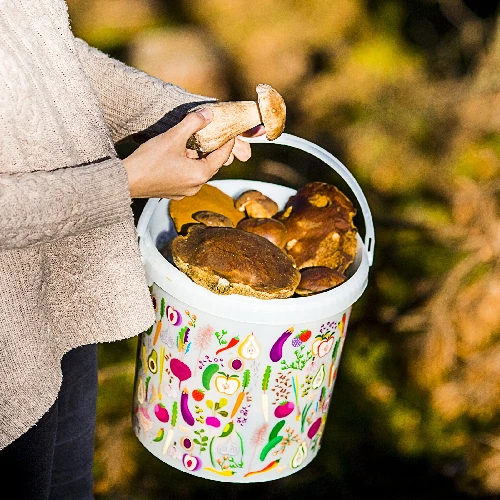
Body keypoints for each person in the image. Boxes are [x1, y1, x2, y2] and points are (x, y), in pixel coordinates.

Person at [0, 1, 264, 498]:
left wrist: (183, 115)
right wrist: (127, 181)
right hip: (4, 356)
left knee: (70, 485)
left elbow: (42, 50)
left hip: (60, 299)